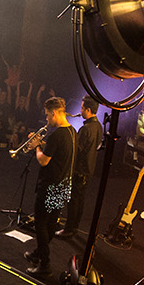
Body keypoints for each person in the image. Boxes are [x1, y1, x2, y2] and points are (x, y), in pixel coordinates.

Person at [24, 97, 75, 277]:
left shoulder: (56, 135)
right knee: (52, 224)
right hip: (63, 186)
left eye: (47, 116)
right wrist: (43, 144)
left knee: (41, 225)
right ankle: (38, 252)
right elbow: (57, 151)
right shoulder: (71, 132)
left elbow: (44, 160)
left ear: (54, 113)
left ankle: (44, 264)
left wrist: (37, 146)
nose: (46, 119)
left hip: (49, 186)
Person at [58, 96, 101, 239]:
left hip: (79, 170)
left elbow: (77, 150)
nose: (80, 111)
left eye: (82, 108)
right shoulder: (98, 126)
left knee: (73, 201)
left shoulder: (86, 129)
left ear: (88, 110)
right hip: (89, 170)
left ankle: (69, 229)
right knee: (80, 200)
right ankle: (74, 227)